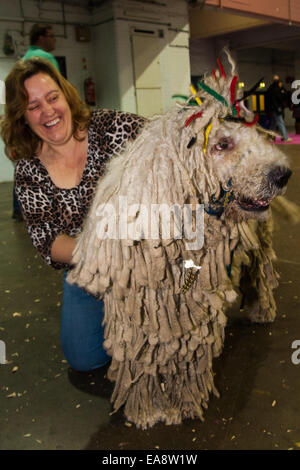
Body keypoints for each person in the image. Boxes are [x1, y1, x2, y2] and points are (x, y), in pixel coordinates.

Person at [0, 57, 146, 373]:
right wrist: (106, 250)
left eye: (52, 98)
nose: (48, 111)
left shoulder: (114, 127)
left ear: (66, 95)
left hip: (146, 251)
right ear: (22, 117)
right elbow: (49, 242)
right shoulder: (29, 170)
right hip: (87, 266)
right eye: (33, 105)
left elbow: (167, 146)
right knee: (85, 358)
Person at [12, 25, 60, 221]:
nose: (54, 39)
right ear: (41, 38)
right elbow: (58, 90)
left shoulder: (22, 60)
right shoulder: (45, 59)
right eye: (51, 35)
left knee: (27, 164)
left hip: (28, 124)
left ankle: (20, 208)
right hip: (47, 125)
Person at [266, 76, 291, 142]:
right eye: (280, 83)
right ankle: (285, 137)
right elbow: (280, 98)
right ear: (278, 82)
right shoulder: (277, 90)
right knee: (280, 122)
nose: (281, 85)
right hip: (277, 108)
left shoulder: (271, 88)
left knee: (273, 123)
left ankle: (270, 137)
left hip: (273, 108)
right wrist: (282, 92)